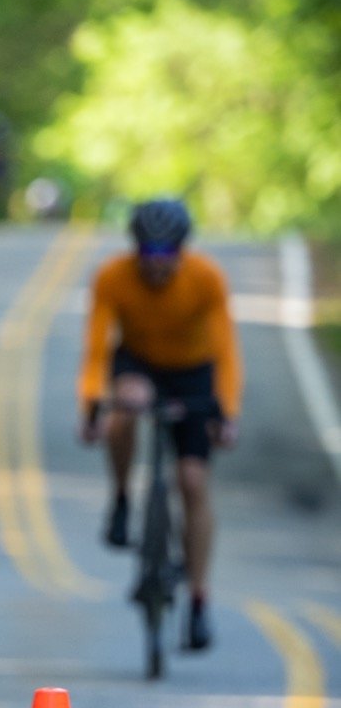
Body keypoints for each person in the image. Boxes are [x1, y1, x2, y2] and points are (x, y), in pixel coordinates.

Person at [78, 198, 241, 650]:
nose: (156, 264)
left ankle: (199, 600)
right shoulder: (113, 276)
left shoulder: (206, 278)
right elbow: (95, 349)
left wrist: (226, 412)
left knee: (192, 481)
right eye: (147, 253)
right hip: (139, 363)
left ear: (182, 251)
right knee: (126, 404)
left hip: (194, 371)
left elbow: (226, 350)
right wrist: (92, 404)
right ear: (135, 249)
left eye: (167, 254)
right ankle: (122, 498)